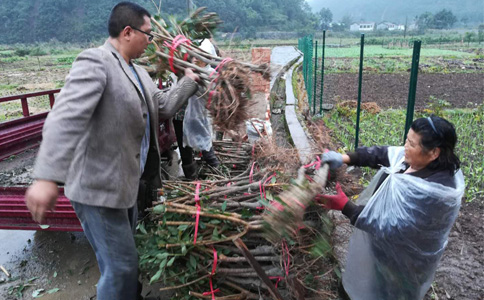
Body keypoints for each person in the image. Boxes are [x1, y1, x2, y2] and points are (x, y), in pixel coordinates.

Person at [25, 2, 200, 299]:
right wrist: (46, 177)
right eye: (149, 34)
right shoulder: (96, 61)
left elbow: (165, 106)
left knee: (121, 263)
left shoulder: (139, 73)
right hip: (98, 189)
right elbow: (66, 116)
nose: (151, 42)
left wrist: (189, 81)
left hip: (125, 185)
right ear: (128, 32)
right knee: (120, 268)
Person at [318, 115, 465, 300]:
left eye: (411, 144)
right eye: (407, 140)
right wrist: (345, 158)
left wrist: (346, 206)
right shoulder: (419, 160)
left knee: (392, 294)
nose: (405, 147)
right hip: (383, 250)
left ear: (434, 152)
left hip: (405, 262)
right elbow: (384, 153)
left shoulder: (436, 193)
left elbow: (393, 227)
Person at [173, 38, 220, 179]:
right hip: (180, 116)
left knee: (205, 145)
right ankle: (191, 179)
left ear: (207, 59)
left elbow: (211, 95)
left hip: (198, 117)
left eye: (201, 57)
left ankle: (218, 172)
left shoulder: (210, 74)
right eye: (195, 56)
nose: (196, 59)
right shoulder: (184, 70)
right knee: (185, 149)